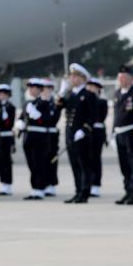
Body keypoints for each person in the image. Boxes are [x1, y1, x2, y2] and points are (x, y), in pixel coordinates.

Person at [56, 63, 97, 203]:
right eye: (71, 76)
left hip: (81, 134)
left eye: (74, 76)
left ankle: (85, 192)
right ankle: (78, 190)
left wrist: (84, 130)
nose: (71, 78)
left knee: (83, 164)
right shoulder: (70, 94)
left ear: (82, 78)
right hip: (70, 133)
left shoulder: (88, 95)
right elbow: (58, 108)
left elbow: (93, 116)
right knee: (74, 164)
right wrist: (61, 93)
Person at [111, 65, 133, 205]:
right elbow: (115, 116)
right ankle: (127, 190)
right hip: (119, 134)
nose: (121, 79)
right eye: (120, 77)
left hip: (132, 134)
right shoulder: (117, 94)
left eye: (124, 77)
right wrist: (113, 134)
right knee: (124, 165)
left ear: (131, 79)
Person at [18, 78, 53, 200]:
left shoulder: (44, 103)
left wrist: (37, 114)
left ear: (40, 89)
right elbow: (22, 117)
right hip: (28, 137)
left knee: (39, 163)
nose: (32, 90)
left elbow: (48, 119)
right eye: (30, 87)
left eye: (35, 87)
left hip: (40, 138)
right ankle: (34, 189)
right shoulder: (27, 103)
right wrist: (20, 122)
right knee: (31, 164)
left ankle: (40, 188)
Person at [86, 77, 108, 197]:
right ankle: (88, 183)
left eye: (92, 86)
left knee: (95, 159)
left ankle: (96, 185)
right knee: (87, 159)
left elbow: (100, 117)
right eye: (88, 86)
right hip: (87, 132)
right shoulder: (85, 100)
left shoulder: (101, 102)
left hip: (97, 131)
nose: (89, 88)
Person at [0, 83, 16, 196]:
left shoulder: (10, 107)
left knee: (6, 161)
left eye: (3, 94)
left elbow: (8, 123)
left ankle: (7, 185)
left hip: (6, 136)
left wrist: (3, 113)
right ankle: (2, 184)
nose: (1, 96)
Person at [41, 78, 61, 196]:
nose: (44, 91)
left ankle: (52, 184)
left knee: (52, 160)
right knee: (41, 161)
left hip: (52, 135)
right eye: (42, 89)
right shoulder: (37, 102)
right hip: (41, 135)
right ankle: (42, 183)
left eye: (47, 89)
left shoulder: (54, 103)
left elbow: (54, 118)